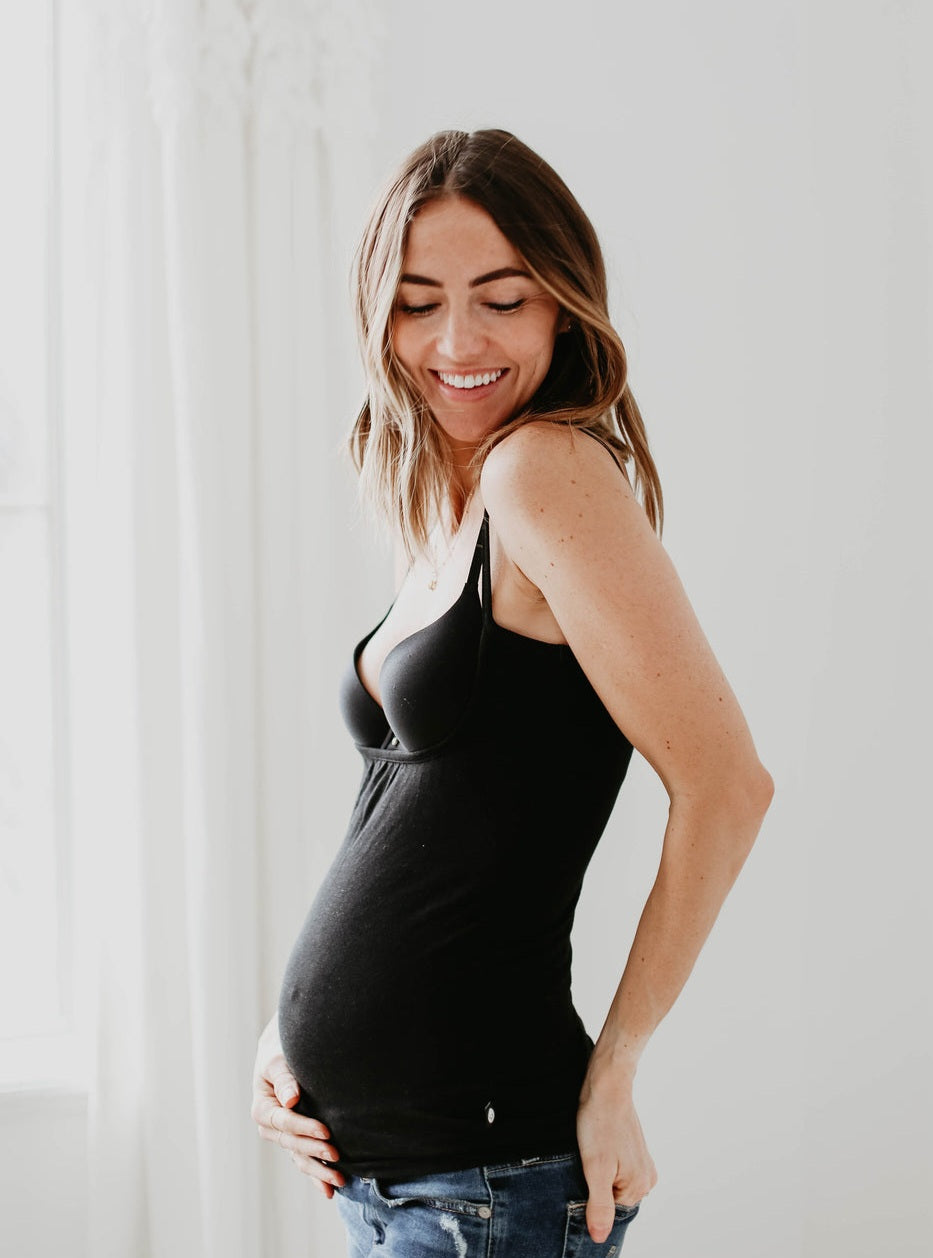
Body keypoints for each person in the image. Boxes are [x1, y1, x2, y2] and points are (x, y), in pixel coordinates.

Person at [250, 128, 774, 1256]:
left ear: (562, 306)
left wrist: (616, 1069)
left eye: (502, 298)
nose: (456, 341)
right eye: (417, 301)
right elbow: (408, 816)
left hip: (489, 1180)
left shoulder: (542, 469)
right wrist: (288, 1035)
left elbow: (728, 784)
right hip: (398, 1181)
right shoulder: (448, 491)